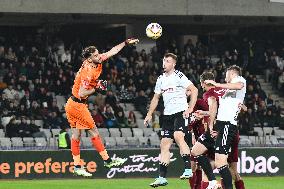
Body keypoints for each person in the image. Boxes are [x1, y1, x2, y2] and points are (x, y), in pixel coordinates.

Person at [65, 38, 139, 177]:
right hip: (78, 105)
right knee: (94, 132)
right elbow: (81, 93)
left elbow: (113, 51)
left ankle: (77, 166)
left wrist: (125, 43)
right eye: (95, 56)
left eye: (98, 54)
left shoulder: (96, 60)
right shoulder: (88, 71)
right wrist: (97, 89)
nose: (99, 56)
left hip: (71, 104)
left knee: (76, 135)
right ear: (89, 58)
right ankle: (107, 160)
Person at [143, 53, 198, 187]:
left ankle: (188, 169)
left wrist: (190, 108)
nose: (164, 63)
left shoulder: (179, 76)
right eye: (164, 60)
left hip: (180, 112)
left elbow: (194, 90)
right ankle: (162, 177)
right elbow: (156, 98)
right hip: (167, 115)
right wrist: (149, 113)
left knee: (178, 136)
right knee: (164, 145)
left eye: (168, 61)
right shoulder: (160, 79)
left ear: (173, 64)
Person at [203, 65, 247, 189]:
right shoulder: (229, 91)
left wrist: (216, 83)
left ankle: (215, 184)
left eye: (227, 74)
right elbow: (243, 107)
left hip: (227, 125)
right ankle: (218, 185)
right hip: (223, 125)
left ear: (233, 74)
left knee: (221, 163)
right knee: (222, 163)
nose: (225, 77)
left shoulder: (239, 80)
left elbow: (238, 86)